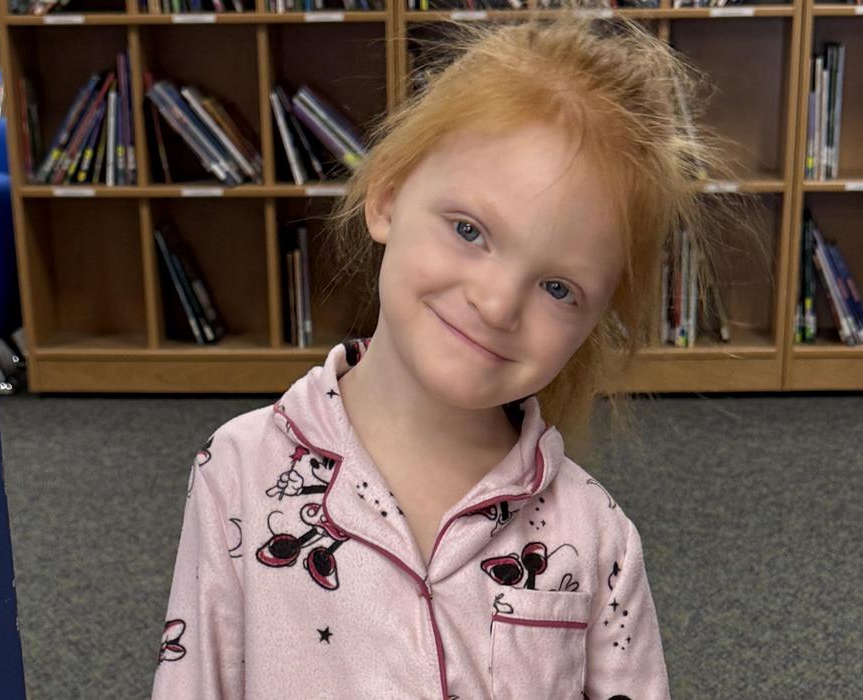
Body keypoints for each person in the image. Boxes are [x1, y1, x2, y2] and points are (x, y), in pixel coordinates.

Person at [152, 7, 748, 698]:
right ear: (389, 194)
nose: (497, 304)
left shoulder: (594, 536)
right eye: (469, 229)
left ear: (596, 319)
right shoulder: (241, 471)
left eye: (559, 287)